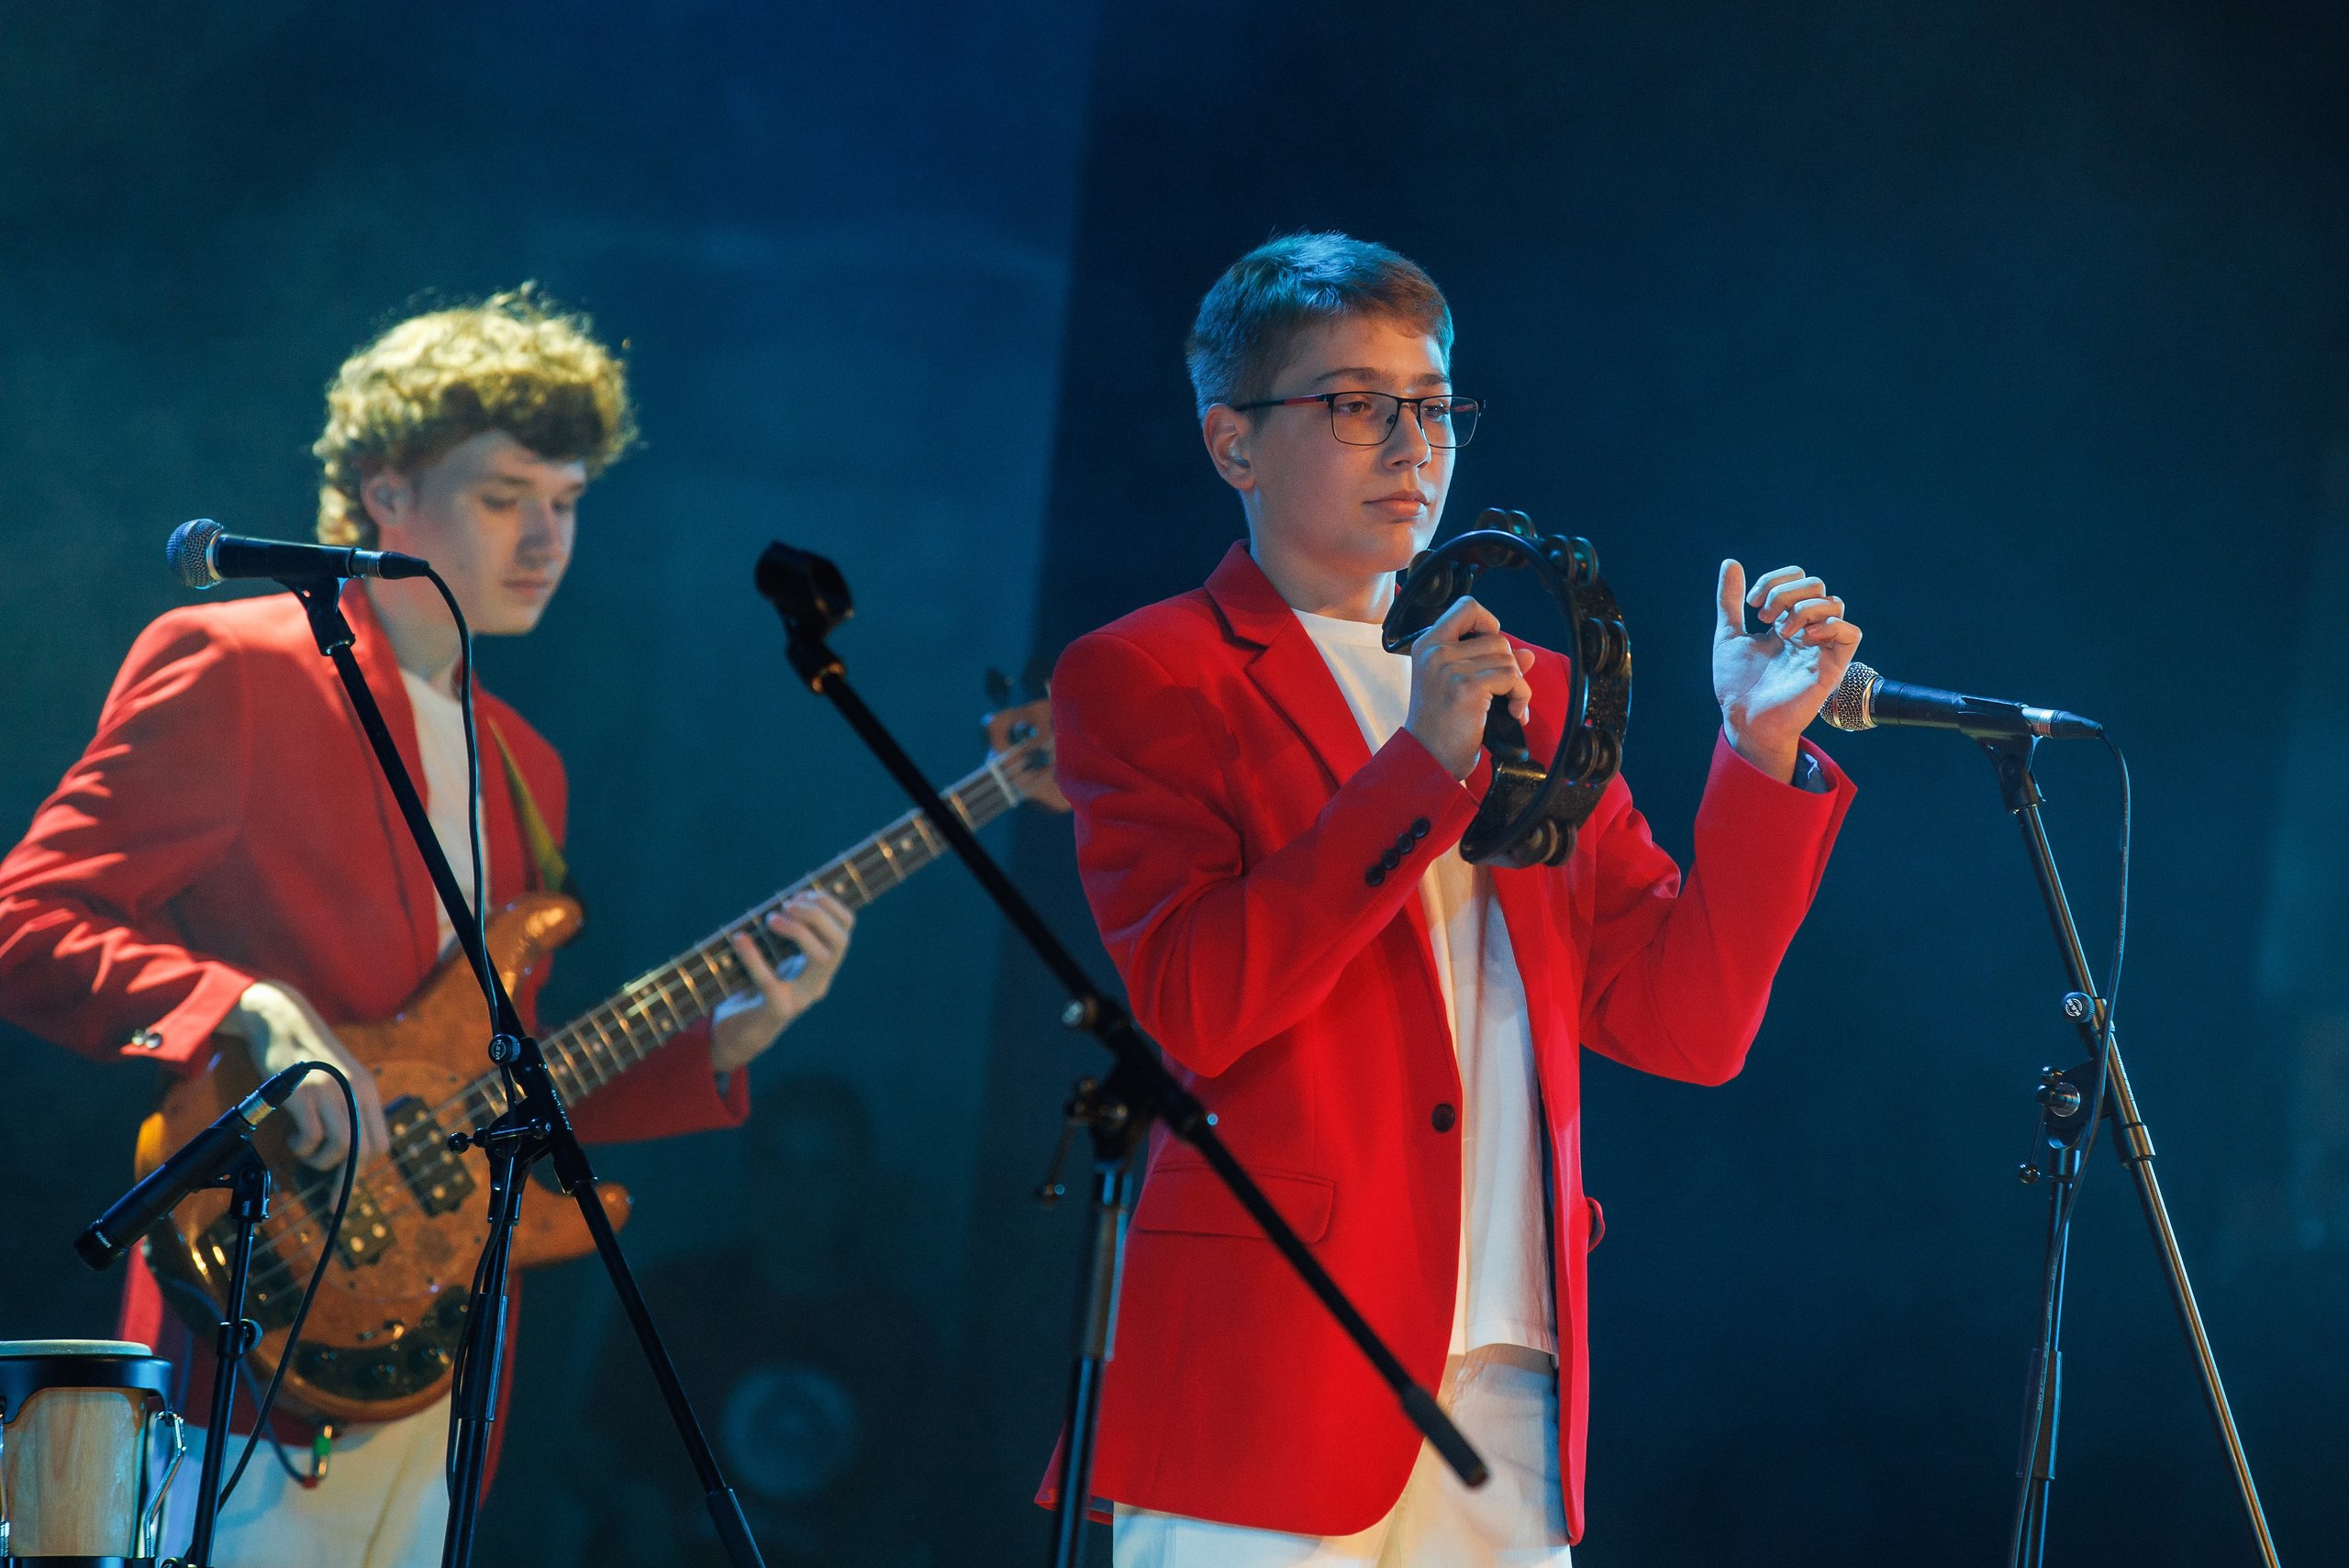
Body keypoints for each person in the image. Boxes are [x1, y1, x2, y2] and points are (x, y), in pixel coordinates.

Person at [0, 288, 857, 1568]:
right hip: (254, 1317)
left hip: (440, 1354)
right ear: (385, 491)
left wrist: (722, 1040)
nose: (547, 537)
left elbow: (492, 1084)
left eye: (567, 500)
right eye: (506, 495)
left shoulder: (525, 762)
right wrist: (247, 1008)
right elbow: (28, 919)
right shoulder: (237, 665)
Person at [1045, 233, 1861, 1566]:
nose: (1411, 446)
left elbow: (1685, 1023)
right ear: (1232, 443)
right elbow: (1198, 1001)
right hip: (1273, 1356)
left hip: (1511, 1365)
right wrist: (1420, 763)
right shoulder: (1152, 673)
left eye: (1432, 407)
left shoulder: (1531, 680)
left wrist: (1758, 747)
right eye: (1354, 405)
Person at [579, 1073, 951, 1568]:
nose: (795, 1195)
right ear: (750, 1171)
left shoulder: (895, 1335)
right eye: (777, 1165)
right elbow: (593, 1454)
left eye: (822, 1172)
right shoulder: (674, 1299)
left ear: (857, 1185)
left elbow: (914, 1503)